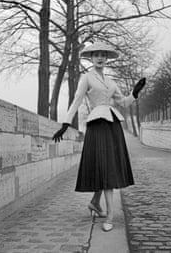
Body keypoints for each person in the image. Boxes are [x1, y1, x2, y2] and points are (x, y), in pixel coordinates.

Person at [52, 41, 146, 232]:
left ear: (107, 58)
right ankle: (109, 214)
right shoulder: (87, 77)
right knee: (104, 166)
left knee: (108, 165)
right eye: (96, 55)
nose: (100, 58)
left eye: (103, 55)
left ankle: (96, 203)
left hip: (112, 125)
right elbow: (77, 100)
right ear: (91, 58)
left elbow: (124, 103)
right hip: (97, 125)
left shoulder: (111, 82)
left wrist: (135, 92)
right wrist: (65, 124)